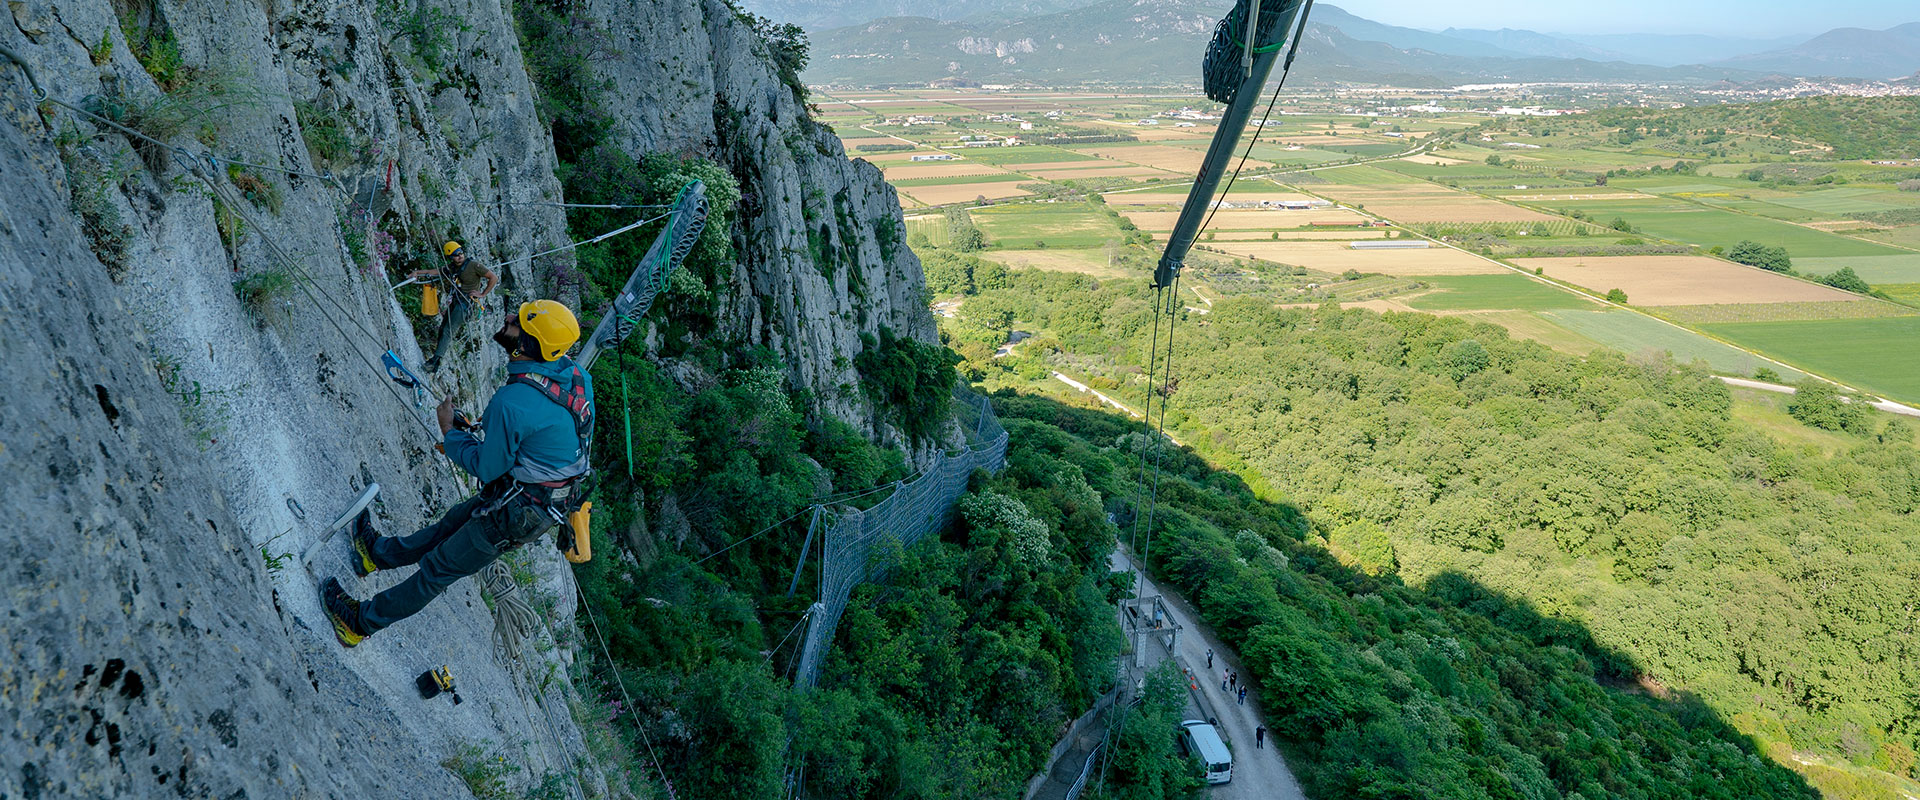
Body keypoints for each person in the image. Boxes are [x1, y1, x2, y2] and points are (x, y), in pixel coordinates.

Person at [322, 300, 593, 646]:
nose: (509, 317)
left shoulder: (513, 403)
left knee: (438, 569)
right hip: (533, 496)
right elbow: (549, 435)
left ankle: (359, 624)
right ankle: (375, 554)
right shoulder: (577, 378)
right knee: (450, 525)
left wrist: (450, 432)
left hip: (519, 512)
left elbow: (486, 467)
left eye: (519, 323)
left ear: (527, 344)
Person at [417, 241, 499, 372]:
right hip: (456, 302)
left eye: (461, 253)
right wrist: (416, 273)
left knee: (448, 330)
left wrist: (483, 294)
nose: (460, 256)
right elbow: (435, 272)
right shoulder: (452, 268)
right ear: (451, 257)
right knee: (443, 328)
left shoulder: (474, 265)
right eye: (456, 255)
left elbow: (493, 277)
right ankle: (436, 361)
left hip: (465, 305)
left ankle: (434, 362)